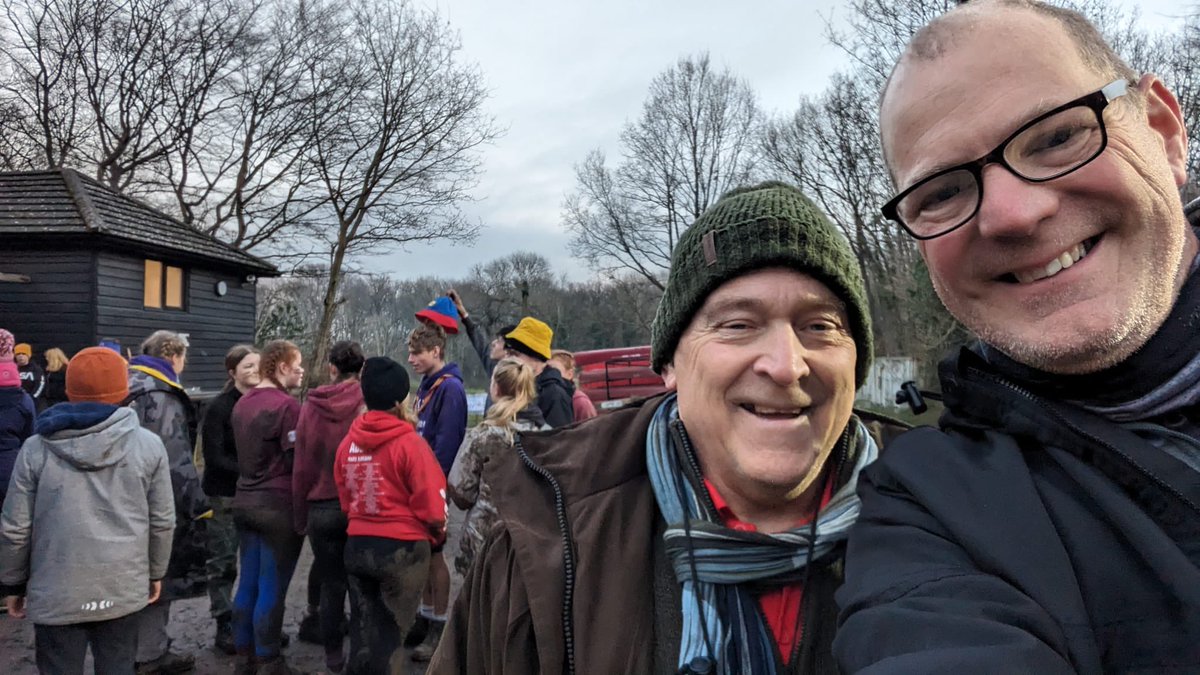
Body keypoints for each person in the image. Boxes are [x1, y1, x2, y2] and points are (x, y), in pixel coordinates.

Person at [833, 2, 1199, 673]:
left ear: (1164, 131)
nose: (1012, 214)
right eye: (941, 192)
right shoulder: (930, 512)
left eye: (1057, 136)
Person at [430, 181, 895, 674]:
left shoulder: (939, 521)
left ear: (856, 362)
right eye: (738, 324)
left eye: (820, 326)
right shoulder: (540, 545)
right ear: (669, 363)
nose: (786, 366)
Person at [0, 346, 175, 675]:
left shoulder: (35, 449)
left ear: (69, 390)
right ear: (124, 390)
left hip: (56, 590)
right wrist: (155, 572)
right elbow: (162, 521)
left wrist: (13, 583)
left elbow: (15, 527)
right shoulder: (149, 445)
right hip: (122, 586)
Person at [334, 357, 447, 675]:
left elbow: (345, 496)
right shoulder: (410, 444)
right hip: (402, 550)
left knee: (362, 632)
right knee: (391, 636)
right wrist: (437, 535)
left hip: (357, 546)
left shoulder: (348, 443)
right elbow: (433, 506)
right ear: (400, 401)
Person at [127, 330, 208, 674]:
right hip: (154, 499)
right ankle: (150, 653)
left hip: (124, 497)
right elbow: (172, 457)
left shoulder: (128, 381)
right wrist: (195, 504)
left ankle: (134, 647)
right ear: (173, 356)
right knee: (159, 572)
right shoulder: (161, 395)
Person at [444, 358, 547, 608]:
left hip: (484, 539)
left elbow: (461, 492)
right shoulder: (547, 434)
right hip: (532, 541)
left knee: (481, 608)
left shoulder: (485, 434)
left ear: (496, 388)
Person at [230, 340, 305, 675]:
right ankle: (268, 659)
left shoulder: (242, 403)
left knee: (247, 582)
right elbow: (296, 461)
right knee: (272, 585)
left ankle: (243, 656)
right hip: (276, 507)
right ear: (281, 367)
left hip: (244, 501)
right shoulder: (287, 406)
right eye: (297, 365)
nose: (301, 371)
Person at [293, 340, 365, 673]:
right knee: (360, 585)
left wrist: (300, 514)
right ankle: (361, 654)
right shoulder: (367, 402)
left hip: (321, 507)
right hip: (358, 507)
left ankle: (333, 657)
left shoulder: (311, 406)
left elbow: (302, 465)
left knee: (331, 585)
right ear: (361, 369)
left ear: (332, 369)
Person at [406, 323, 467, 662]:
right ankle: (425, 615)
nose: (411, 359)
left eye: (417, 353)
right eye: (410, 352)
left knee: (435, 554)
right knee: (424, 554)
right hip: (418, 482)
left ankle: (439, 627)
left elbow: (447, 444)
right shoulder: (427, 385)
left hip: (433, 485)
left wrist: (434, 486)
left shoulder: (451, 389)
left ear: (436, 351)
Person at [199, 344, 261, 655]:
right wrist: (253, 471)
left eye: (257, 365)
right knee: (223, 561)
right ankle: (224, 622)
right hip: (224, 494)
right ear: (232, 371)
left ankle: (253, 620)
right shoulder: (219, 407)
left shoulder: (264, 403)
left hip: (257, 495)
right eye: (247, 366)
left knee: (256, 561)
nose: (254, 371)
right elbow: (214, 458)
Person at [503, 317, 574, 428]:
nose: (508, 360)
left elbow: (560, 437)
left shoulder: (554, 395)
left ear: (536, 356)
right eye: (508, 354)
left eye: (515, 354)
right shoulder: (517, 386)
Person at [548, 349, 598, 422]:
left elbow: (591, 427)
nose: (548, 375)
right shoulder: (541, 398)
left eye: (554, 371)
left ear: (569, 374)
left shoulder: (579, 402)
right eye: (544, 370)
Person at [14, 343, 46, 411]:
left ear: (28, 355)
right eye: (18, 354)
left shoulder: (36, 369)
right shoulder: (12, 369)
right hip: (15, 401)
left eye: (23, 354)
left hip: (32, 401)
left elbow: (40, 384)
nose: (21, 356)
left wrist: (32, 398)